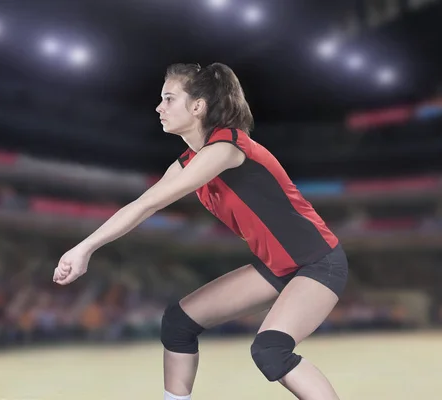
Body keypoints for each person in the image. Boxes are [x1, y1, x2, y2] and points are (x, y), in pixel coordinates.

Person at [53, 63, 348, 400]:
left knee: (271, 350)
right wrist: (85, 246)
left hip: (318, 263)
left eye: (168, 98)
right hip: (278, 267)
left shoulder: (226, 149)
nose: (158, 107)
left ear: (197, 107)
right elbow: (140, 204)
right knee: (178, 324)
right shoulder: (187, 161)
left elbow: (149, 206)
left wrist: (85, 248)